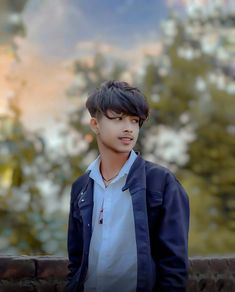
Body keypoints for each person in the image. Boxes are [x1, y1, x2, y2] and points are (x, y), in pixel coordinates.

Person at [66, 80, 190, 292]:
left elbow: (174, 267)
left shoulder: (162, 183)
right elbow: (76, 262)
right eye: (119, 118)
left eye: (134, 121)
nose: (128, 128)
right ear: (95, 124)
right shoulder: (82, 188)